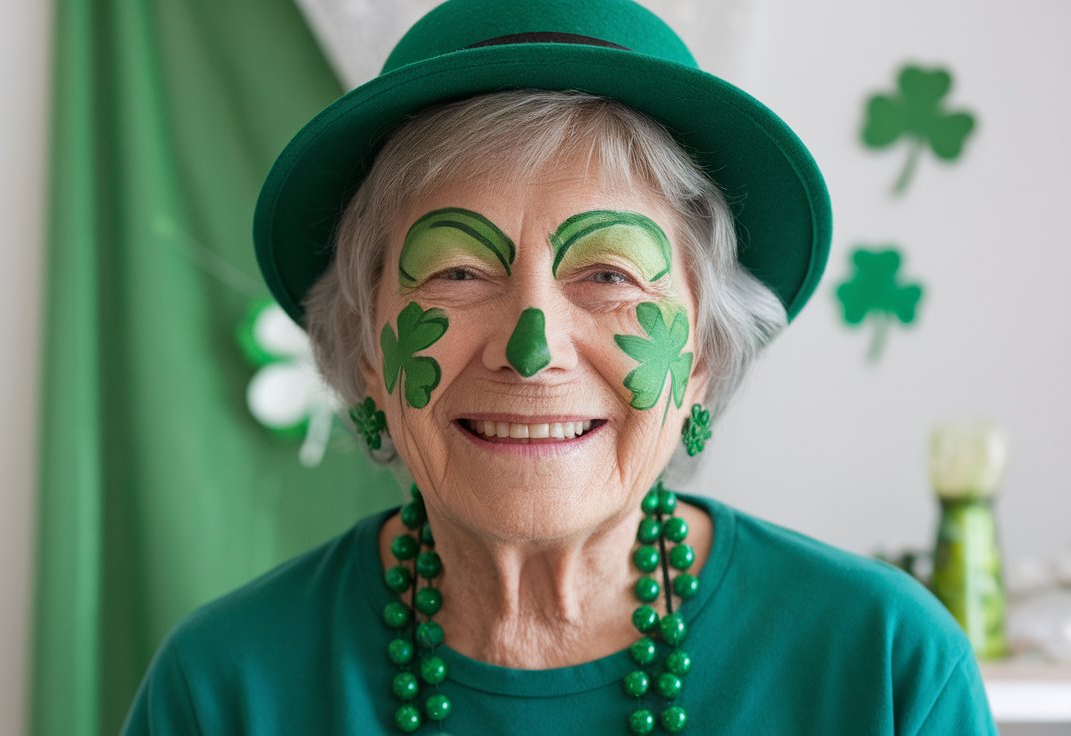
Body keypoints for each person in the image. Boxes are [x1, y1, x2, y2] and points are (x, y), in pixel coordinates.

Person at [124, 0, 998, 733]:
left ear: (703, 353)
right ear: (364, 344)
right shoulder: (222, 689)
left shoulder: (886, 669)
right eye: (460, 272)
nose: (531, 347)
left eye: (609, 275)